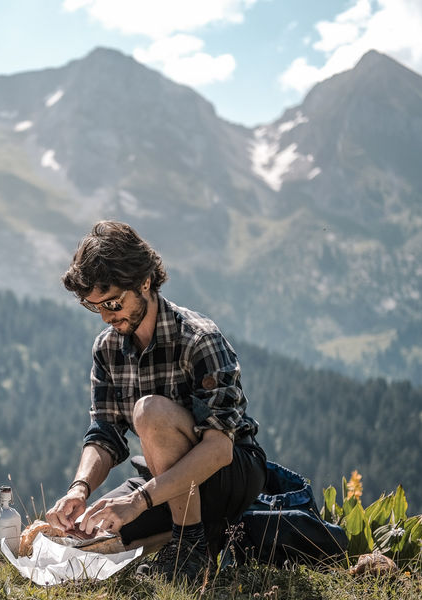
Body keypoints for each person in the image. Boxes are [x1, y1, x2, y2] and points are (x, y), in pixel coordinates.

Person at [46, 221, 266, 584]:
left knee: (150, 412)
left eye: (113, 302)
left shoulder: (198, 339)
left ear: (144, 282)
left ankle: (188, 550)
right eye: (94, 306)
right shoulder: (107, 349)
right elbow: (105, 433)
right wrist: (80, 488)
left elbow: (219, 450)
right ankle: (193, 537)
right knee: (87, 536)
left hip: (229, 473)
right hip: (162, 479)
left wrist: (140, 501)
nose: (106, 316)